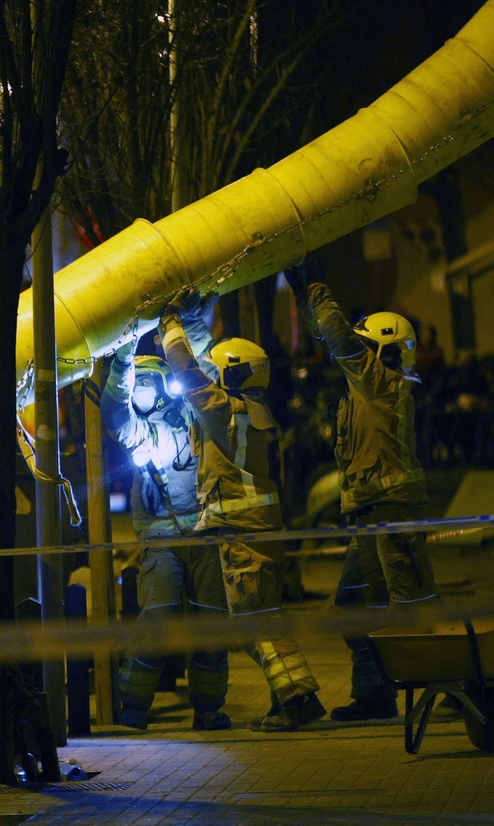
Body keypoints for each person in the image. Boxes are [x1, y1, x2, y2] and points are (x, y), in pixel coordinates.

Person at [160, 296, 325, 733]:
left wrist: (170, 326)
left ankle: (297, 700)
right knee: (265, 619)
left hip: (242, 534)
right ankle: (292, 698)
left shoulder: (223, 412)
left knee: (255, 627)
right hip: (262, 531)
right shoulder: (255, 412)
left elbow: (189, 374)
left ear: (230, 375)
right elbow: (207, 367)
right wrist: (195, 322)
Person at [284, 260, 437, 722]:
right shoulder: (367, 390)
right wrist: (301, 295)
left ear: (383, 352)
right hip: (372, 513)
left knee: (407, 604)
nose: (360, 356)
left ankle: (450, 679)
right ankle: (375, 694)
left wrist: (315, 285)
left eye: (368, 348)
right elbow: (329, 341)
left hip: (389, 511)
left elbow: (338, 339)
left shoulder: (382, 385)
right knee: (358, 605)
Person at [100, 340, 233, 731]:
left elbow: (205, 378)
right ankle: (133, 708)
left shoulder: (194, 416)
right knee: (157, 621)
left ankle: (209, 708)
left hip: (205, 536)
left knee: (210, 624)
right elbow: (114, 412)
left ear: (163, 386)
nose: (140, 390)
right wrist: (122, 361)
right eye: (134, 384)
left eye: (147, 382)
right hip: (161, 544)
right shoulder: (140, 431)